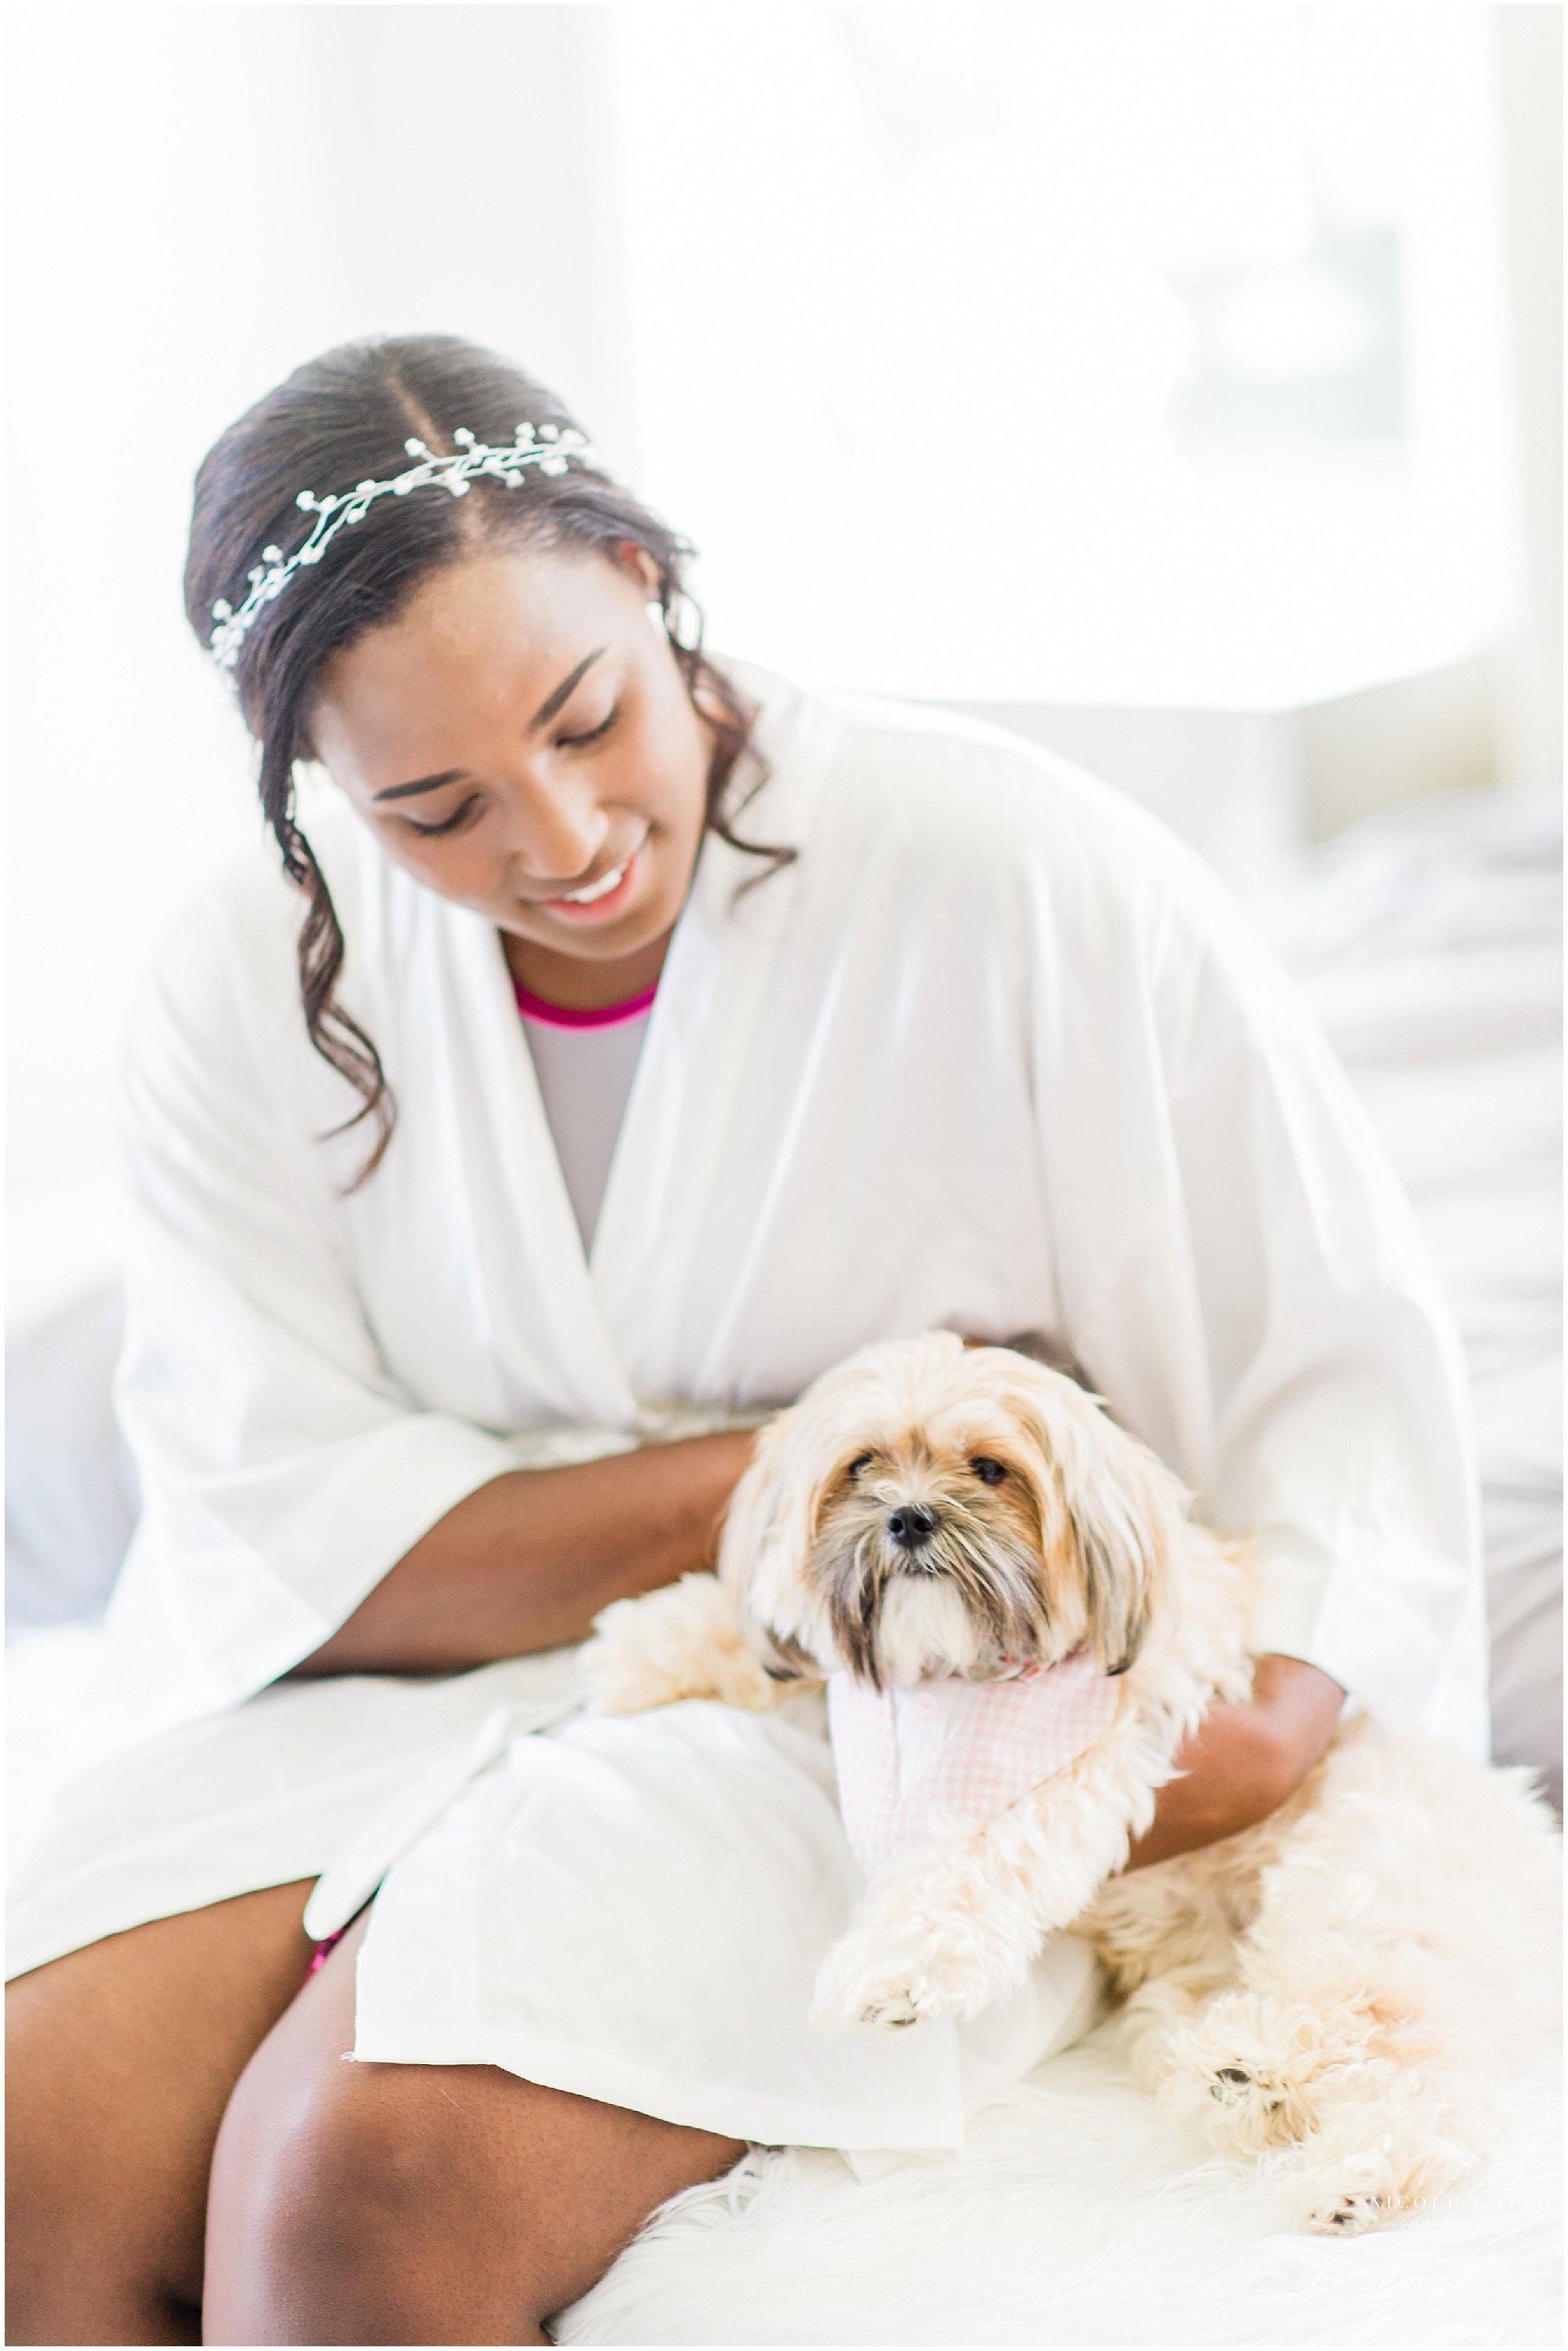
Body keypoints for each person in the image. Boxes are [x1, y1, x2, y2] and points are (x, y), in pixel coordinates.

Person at [5, 335, 1483, 2349]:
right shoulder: (237, 980)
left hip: (903, 1705)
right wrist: (801, 1466)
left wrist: (1197, 1735)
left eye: (590, 718)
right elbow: (288, 1541)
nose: (559, 841)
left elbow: (1335, 1439)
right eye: (432, 805)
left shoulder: (1020, 878)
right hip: (412, 1677)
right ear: (312, 787)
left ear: (647, 575)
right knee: (33, 2141)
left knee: (364, 2170)